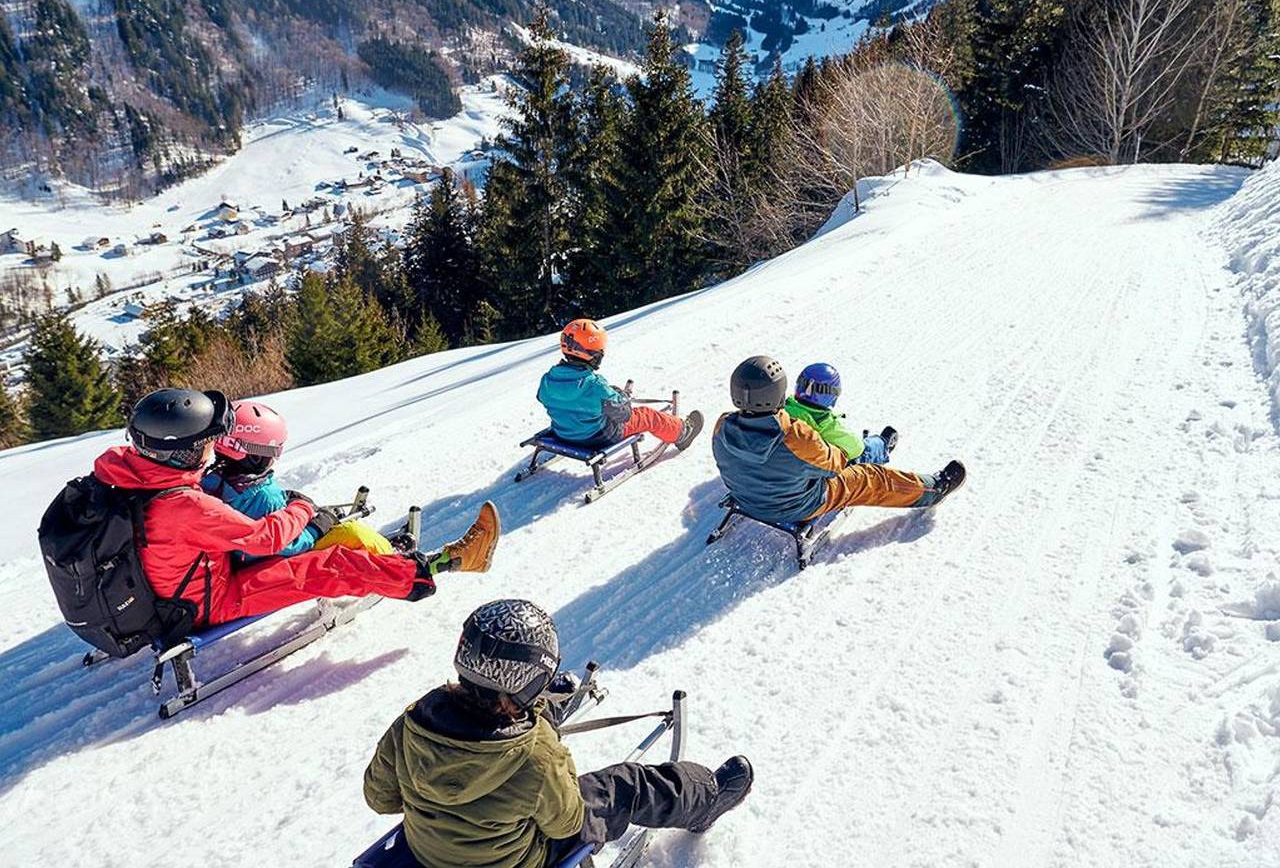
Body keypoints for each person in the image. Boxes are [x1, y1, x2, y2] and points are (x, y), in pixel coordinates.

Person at [363, 599, 753, 868]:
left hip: (429, 854)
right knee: (627, 785)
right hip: (519, 861)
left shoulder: (413, 721)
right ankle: (708, 799)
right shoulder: (538, 758)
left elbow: (380, 798)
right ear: (527, 684)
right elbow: (566, 824)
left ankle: (544, 708)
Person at [91, 388, 500, 627]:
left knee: (331, 552)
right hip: (206, 602)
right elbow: (268, 539)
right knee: (331, 565)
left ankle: (396, 561)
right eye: (204, 443)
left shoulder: (129, 474)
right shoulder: (184, 505)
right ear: (179, 453)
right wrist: (305, 509)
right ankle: (434, 567)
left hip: (165, 588)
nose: (213, 448)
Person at [712, 356, 965, 524]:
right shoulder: (796, 436)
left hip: (744, 497)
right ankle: (933, 489)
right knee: (867, 477)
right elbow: (837, 465)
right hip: (796, 506)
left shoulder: (722, 426)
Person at [203, 398, 402, 561]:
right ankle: (392, 560)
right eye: (275, 450)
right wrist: (317, 527)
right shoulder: (263, 497)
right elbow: (287, 544)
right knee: (354, 533)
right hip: (268, 565)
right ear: (257, 454)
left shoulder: (210, 482)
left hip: (238, 559)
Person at [537, 318, 703, 452]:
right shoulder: (595, 386)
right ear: (593, 354)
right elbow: (624, 415)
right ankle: (682, 433)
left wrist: (608, 396)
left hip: (563, 432)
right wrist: (621, 398)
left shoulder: (548, 379)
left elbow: (552, 399)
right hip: (597, 437)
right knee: (646, 415)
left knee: (598, 406)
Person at [783, 362, 898, 464]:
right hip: (821, 478)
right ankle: (883, 446)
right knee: (864, 452)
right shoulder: (829, 428)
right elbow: (857, 448)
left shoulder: (782, 412)